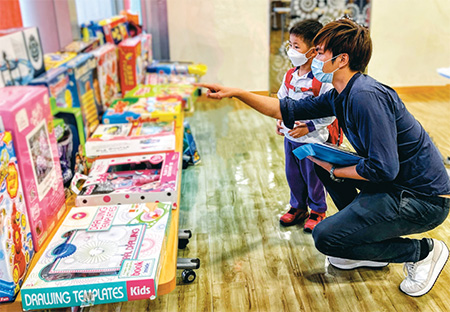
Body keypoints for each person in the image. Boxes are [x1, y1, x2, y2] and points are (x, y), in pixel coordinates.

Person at [196, 17, 450, 297]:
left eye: (319, 52)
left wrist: (336, 170)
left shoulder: (366, 97)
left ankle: (423, 252)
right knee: (324, 170)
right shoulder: (342, 93)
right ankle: (362, 243)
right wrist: (237, 93)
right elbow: (286, 108)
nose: (314, 57)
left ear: (341, 60)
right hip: (395, 184)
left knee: (326, 237)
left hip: (422, 199)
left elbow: (384, 168)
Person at [276, 20, 334, 232]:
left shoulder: (323, 81)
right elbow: (281, 100)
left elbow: (330, 114)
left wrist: (309, 127)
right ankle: (297, 207)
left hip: (313, 142)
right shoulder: (290, 75)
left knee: (314, 177)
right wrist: (279, 120)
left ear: (312, 51)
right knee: (293, 174)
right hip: (290, 139)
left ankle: (318, 210)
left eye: (296, 46)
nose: (291, 50)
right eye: (290, 45)